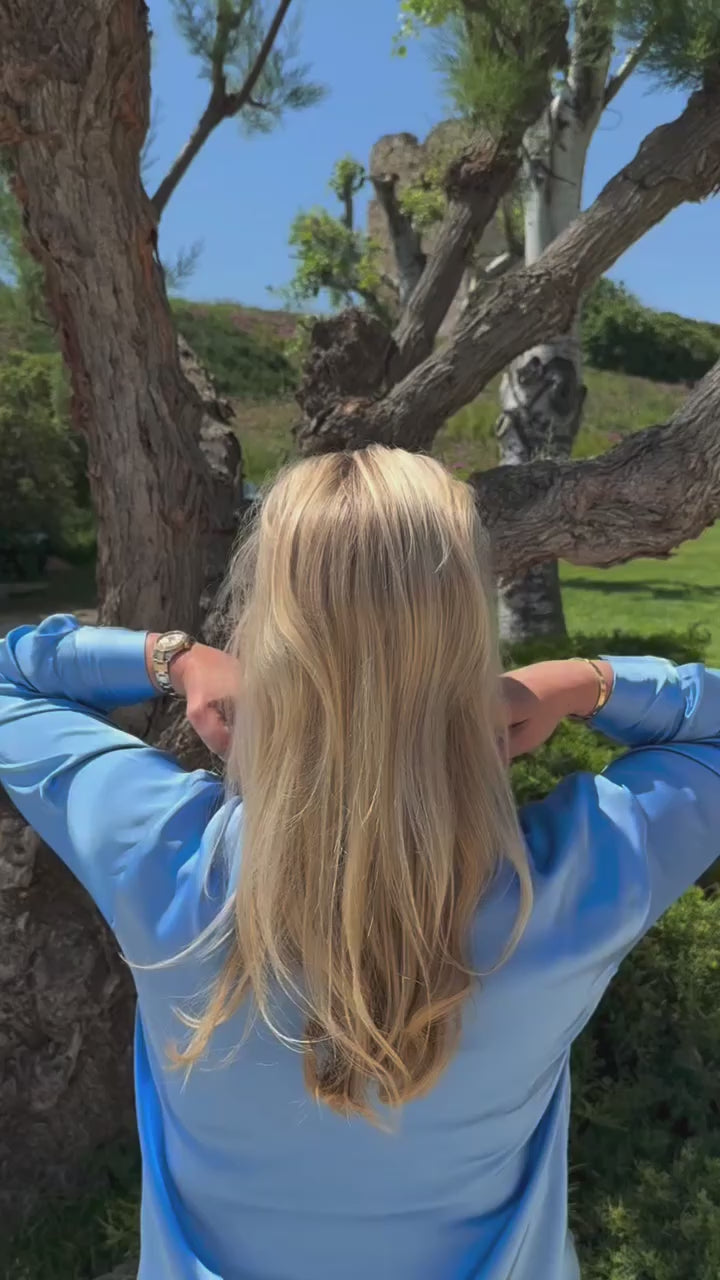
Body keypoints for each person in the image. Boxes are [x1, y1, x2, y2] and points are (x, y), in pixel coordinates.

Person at [1, 444, 719, 1280]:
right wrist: (582, 682)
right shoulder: (580, 881)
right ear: (468, 637)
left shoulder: (158, 851)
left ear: (268, 632)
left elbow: (12, 678)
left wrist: (172, 659)